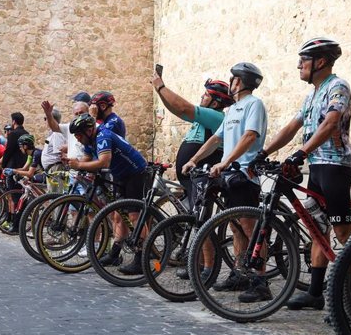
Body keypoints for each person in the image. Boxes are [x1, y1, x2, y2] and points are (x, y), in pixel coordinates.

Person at [252, 38, 351, 311]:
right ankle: (314, 293)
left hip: (335, 166)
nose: (299, 64)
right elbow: (291, 127)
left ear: (320, 62)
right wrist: (264, 152)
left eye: (304, 59)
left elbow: (331, 121)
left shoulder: (338, 86)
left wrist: (300, 153)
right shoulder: (311, 95)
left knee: (346, 233)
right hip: (317, 168)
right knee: (317, 229)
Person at [182, 61, 268, 302]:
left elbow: (250, 136)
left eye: (232, 79)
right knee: (235, 227)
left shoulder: (254, 104)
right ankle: (240, 273)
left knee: (249, 228)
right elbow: (216, 139)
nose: (230, 83)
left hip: (244, 173)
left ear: (238, 82)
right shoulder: (232, 111)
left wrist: (226, 161)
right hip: (230, 173)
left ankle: (261, 281)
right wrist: (195, 159)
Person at [67, 113, 149, 275]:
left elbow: (104, 161)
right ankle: (114, 254)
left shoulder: (103, 135)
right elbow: (87, 158)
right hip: (121, 174)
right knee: (119, 216)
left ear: (89, 130)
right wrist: (80, 166)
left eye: (78, 135)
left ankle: (142, 259)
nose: (76, 138)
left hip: (136, 173)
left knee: (134, 216)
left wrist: (79, 165)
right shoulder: (89, 140)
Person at [151, 74, 233, 201]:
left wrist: (161, 87)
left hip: (200, 175)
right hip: (190, 177)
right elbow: (177, 110)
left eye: (206, 95)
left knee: (199, 217)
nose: (201, 96)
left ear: (215, 103)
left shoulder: (216, 116)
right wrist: (159, 92)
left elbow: (183, 108)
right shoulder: (204, 118)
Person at [1, 112, 28, 233]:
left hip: (13, 167)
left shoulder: (13, 134)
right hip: (24, 167)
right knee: (21, 196)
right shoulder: (26, 133)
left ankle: (16, 225)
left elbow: (8, 151)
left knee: (14, 196)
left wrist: (3, 166)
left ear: (13, 122)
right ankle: (18, 223)